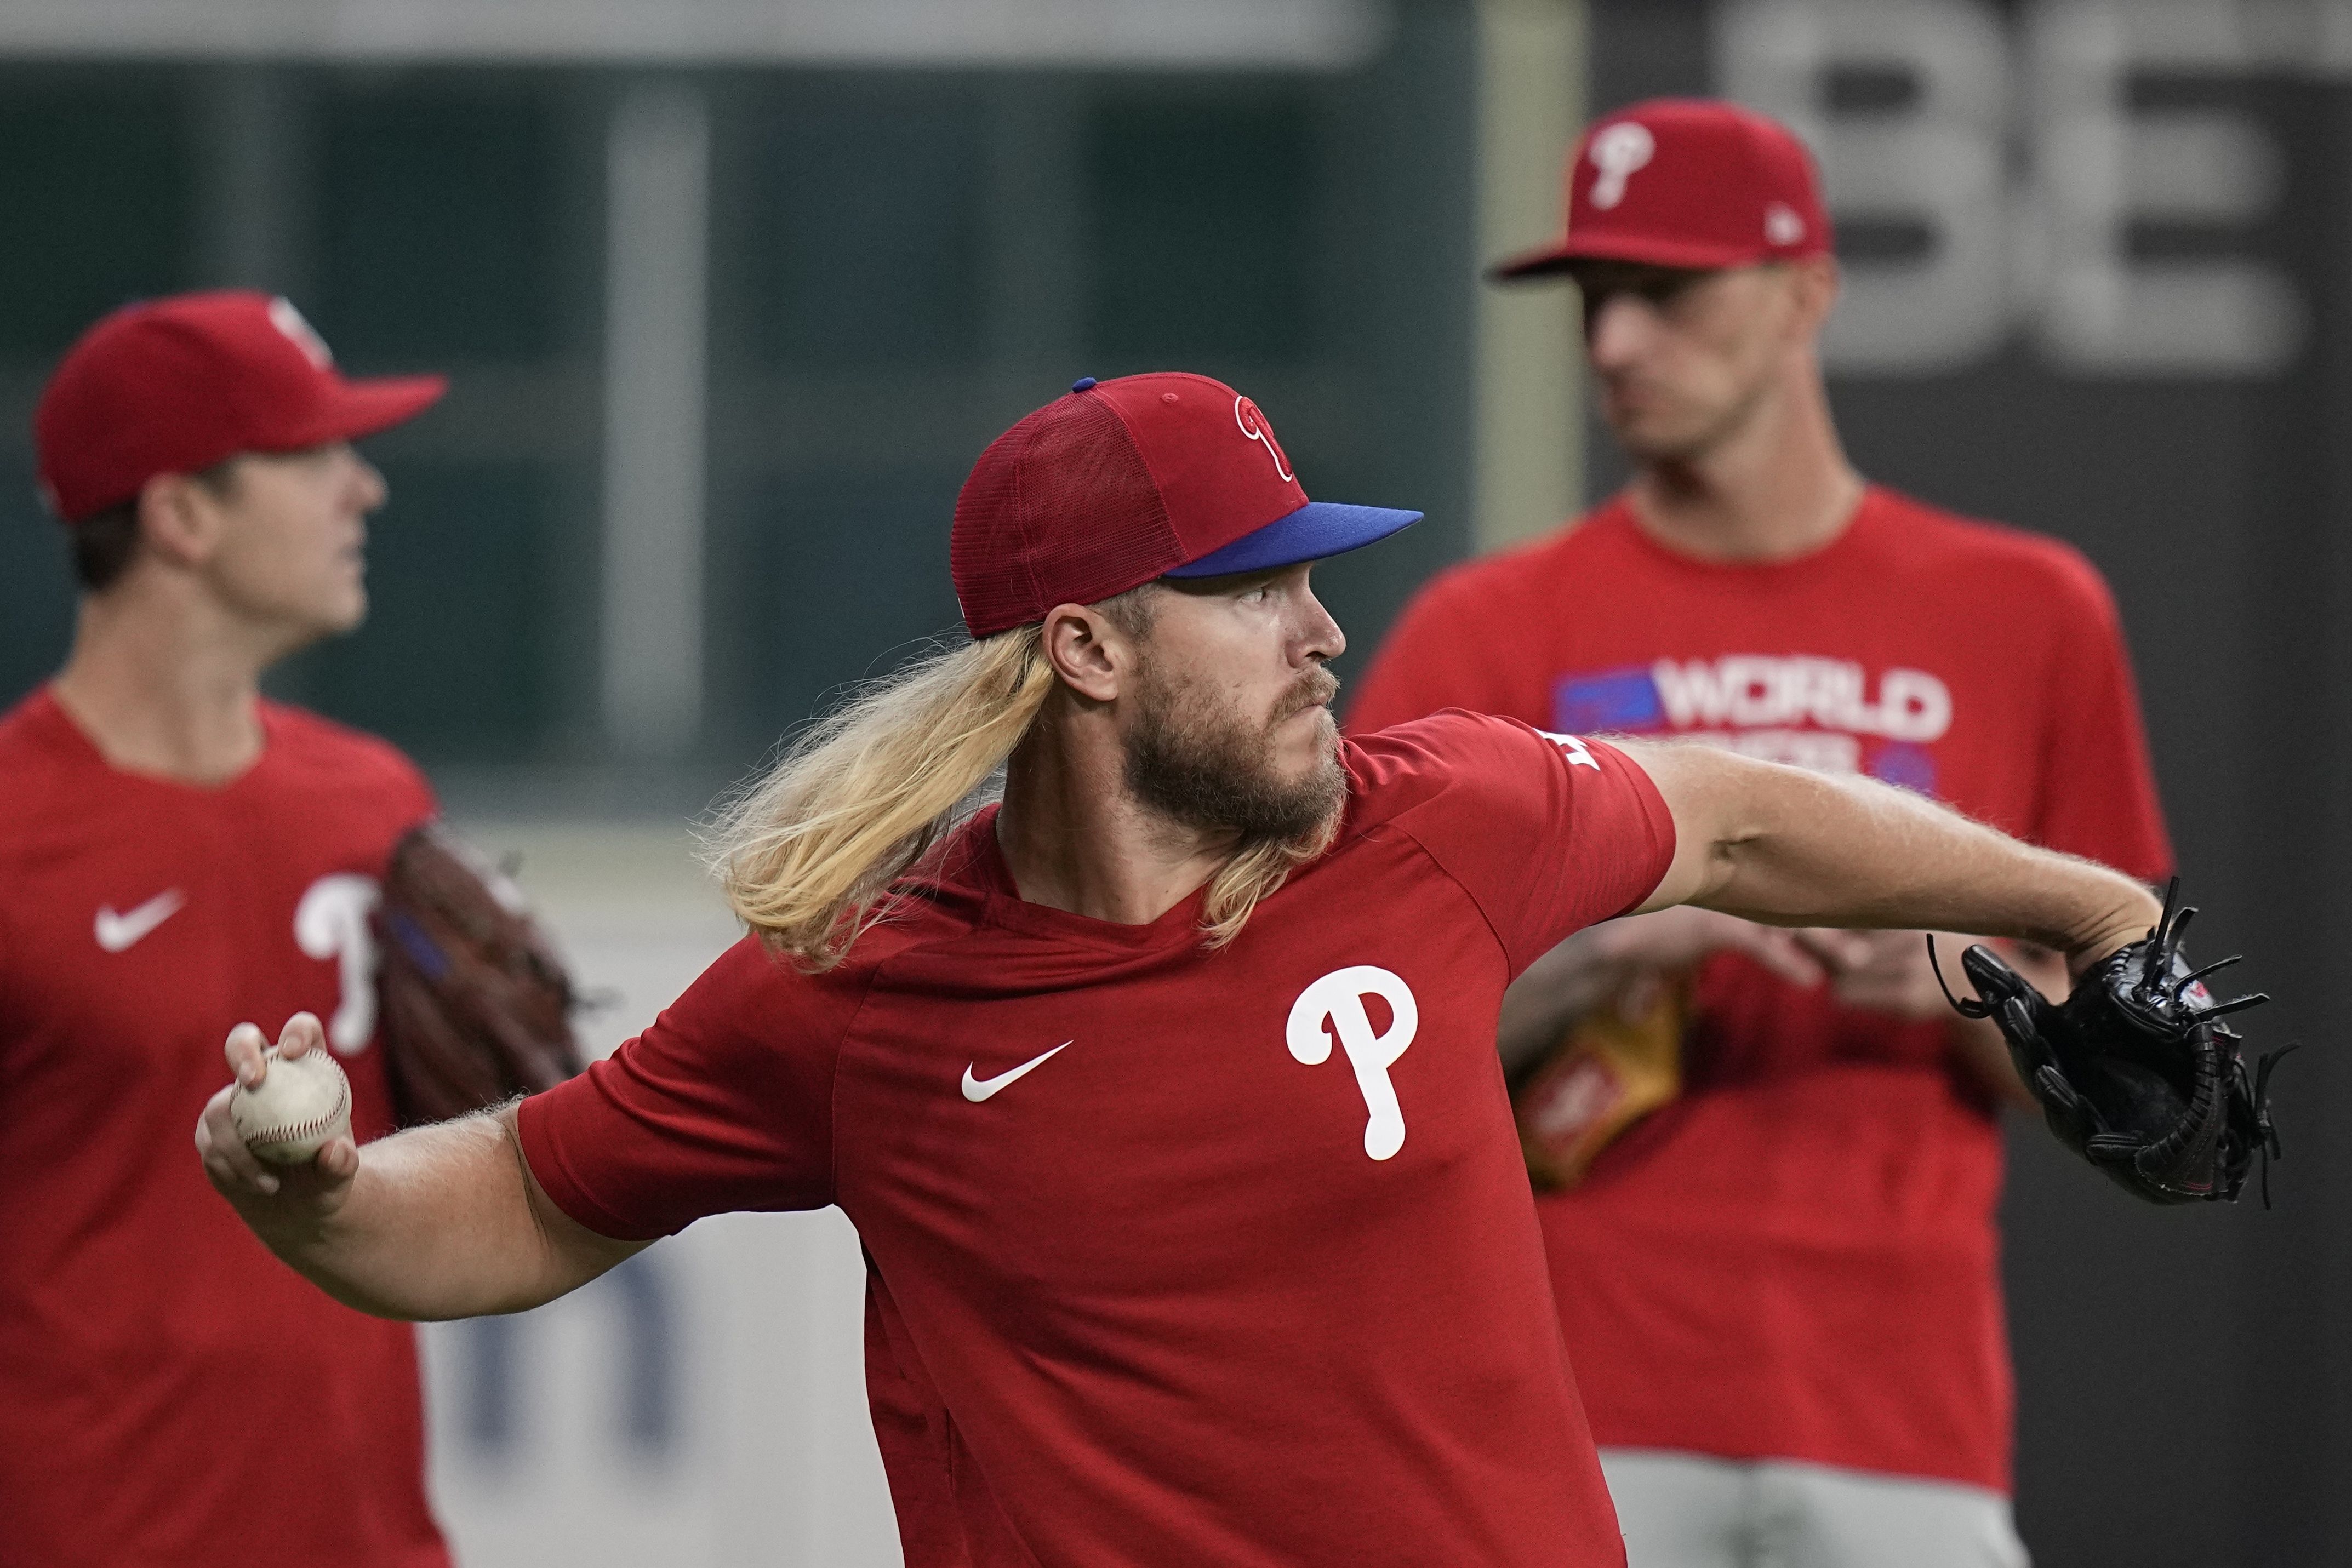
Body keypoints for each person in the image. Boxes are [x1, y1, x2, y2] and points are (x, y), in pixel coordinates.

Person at [198, 371, 2167, 1568]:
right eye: (1255, 588)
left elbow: (1732, 816)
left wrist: (2085, 910)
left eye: (1315, 575)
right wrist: (321, 1190)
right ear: (1086, 652)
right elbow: (530, 1195)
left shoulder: (1437, 824)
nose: (1324, 632)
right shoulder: (874, 989)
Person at [1348, 99, 2171, 1567]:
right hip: (1563, 1400)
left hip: (1900, 1412)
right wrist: (1620, 942)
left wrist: (1948, 971)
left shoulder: (2025, 612)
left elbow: (2127, 1064)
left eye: (1664, 293)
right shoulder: (1487, 628)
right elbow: (1349, 1036)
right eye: (1595, 301)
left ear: (1805, 290)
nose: (1611, 345)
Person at [1, 291, 452, 1568]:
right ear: (182, 515)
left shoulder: (379, 802)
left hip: (367, 1541)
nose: (361, 489)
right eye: (313, 456)